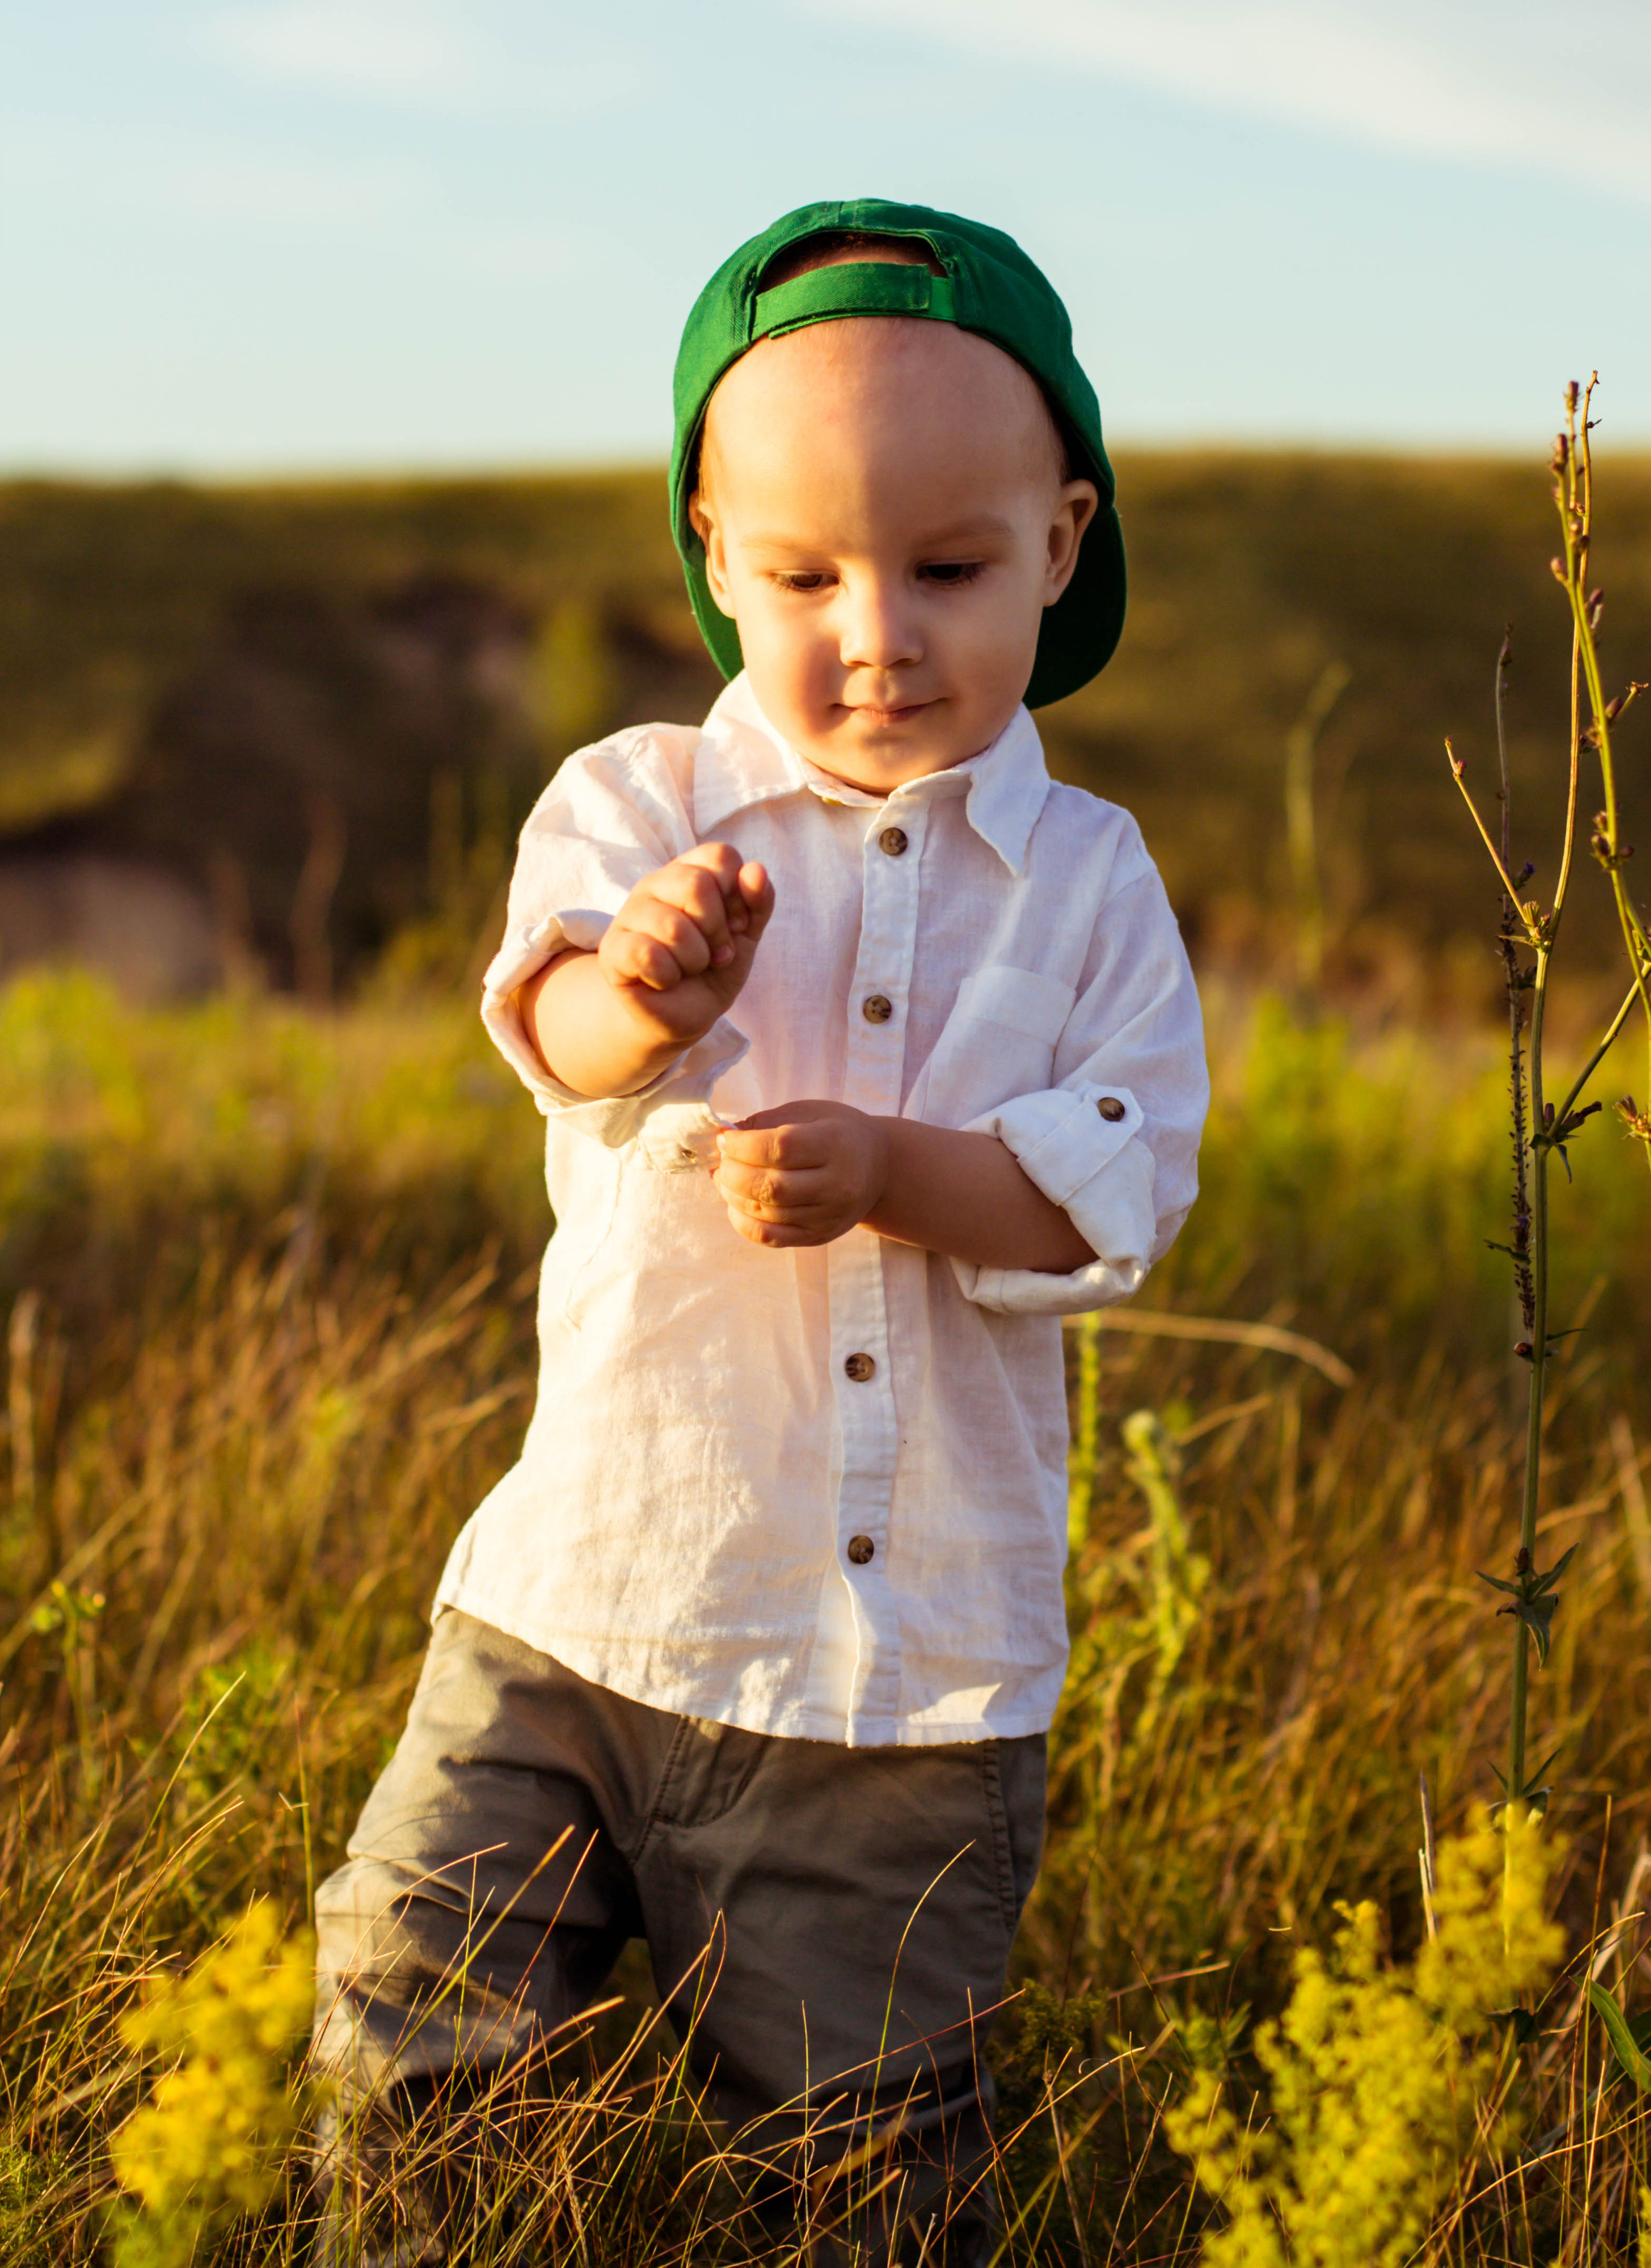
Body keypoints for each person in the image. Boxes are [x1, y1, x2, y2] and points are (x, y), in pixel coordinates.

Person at [312, 198, 1209, 2262]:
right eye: (805, 575)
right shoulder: (643, 806)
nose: (876, 634)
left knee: (865, 2153)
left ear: (1060, 543)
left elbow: (1112, 1193)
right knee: (417, 2027)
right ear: (714, 554)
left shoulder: (1091, 883)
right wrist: (648, 989)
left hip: (905, 1690)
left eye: (948, 569)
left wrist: (895, 1170)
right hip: (584, 1609)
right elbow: (553, 1035)